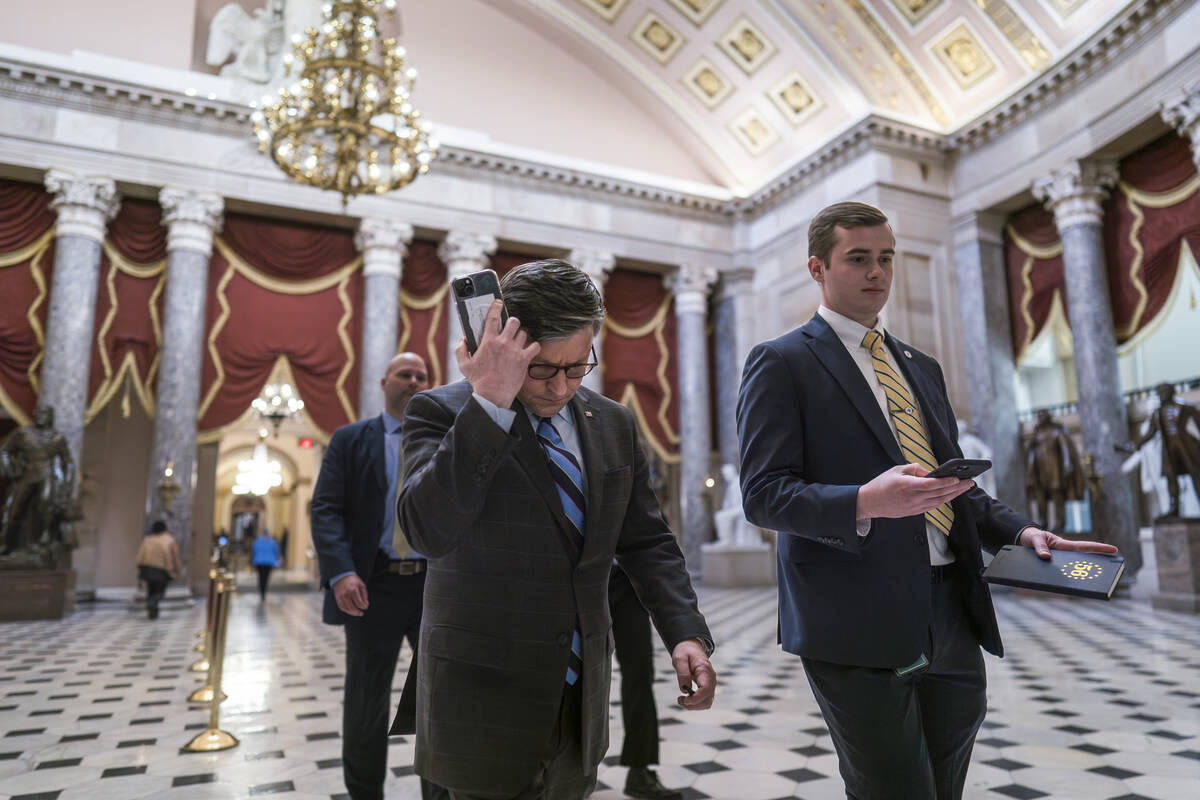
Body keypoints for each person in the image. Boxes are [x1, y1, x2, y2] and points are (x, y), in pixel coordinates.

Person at [736, 201, 1117, 800]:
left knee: (945, 785)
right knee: (894, 789)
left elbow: (954, 489)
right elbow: (763, 496)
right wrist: (865, 500)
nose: (877, 273)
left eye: (885, 258)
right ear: (817, 268)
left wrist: (1022, 534)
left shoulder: (921, 366)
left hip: (951, 610)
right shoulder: (782, 361)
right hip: (853, 617)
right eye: (858, 259)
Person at [394, 259, 716, 800]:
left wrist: (685, 632)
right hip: (480, 698)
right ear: (505, 341)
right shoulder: (440, 412)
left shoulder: (612, 422)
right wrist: (490, 402)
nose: (562, 387)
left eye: (577, 367)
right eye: (543, 369)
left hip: (579, 697)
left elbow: (646, 541)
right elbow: (427, 529)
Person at [311, 352, 447, 800]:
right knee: (367, 701)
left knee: (438, 699)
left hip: (434, 586)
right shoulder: (351, 440)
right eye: (404, 374)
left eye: (421, 376)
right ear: (384, 380)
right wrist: (341, 573)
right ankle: (365, 792)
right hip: (372, 584)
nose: (413, 381)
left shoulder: (446, 439)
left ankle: (440, 793)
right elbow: (326, 509)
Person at [608, 564, 682, 800]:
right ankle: (567, 768)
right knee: (573, 674)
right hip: (579, 575)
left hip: (627, 578)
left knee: (640, 675)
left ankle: (639, 771)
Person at [1127, 382, 1200, 519]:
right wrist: (1134, 445)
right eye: (1159, 392)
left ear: (1171, 392)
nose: (1161, 395)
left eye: (1164, 391)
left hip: (1187, 447)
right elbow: (1150, 433)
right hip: (1169, 449)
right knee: (1171, 479)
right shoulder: (1157, 413)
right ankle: (1174, 508)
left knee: (1196, 476)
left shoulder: (1185, 408)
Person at [1025, 409, 1085, 531]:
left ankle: (1060, 523)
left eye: (1042, 415)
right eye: (1038, 416)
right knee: (1040, 498)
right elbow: (1030, 452)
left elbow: (1065, 450)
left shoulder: (1056, 431)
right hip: (1040, 472)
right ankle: (1043, 522)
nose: (1040, 418)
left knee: (1057, 497)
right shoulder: (1037, 434)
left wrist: (1067, 465)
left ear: (1048, 417)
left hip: (1054, 471)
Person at [135, 520, 180, 620]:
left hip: (147, 568)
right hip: (161, 569)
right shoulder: (169, 540)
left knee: (151, 590)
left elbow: (140, 555)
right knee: (160, 591)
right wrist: (176, 570)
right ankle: (153, 604)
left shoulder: (147, 539)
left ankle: (152, 612)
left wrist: (138, 566)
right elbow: (173, 557)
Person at [250, 527, 281, 601]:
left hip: (259, 562)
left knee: (260, 577)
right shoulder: (272, 542)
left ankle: (261, 591)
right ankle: (263, 591)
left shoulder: (257, 541)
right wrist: (277, 560)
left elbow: (253, 551)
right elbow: (276, 552)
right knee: (266, 577)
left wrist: (252, 560)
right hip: (269, 562)